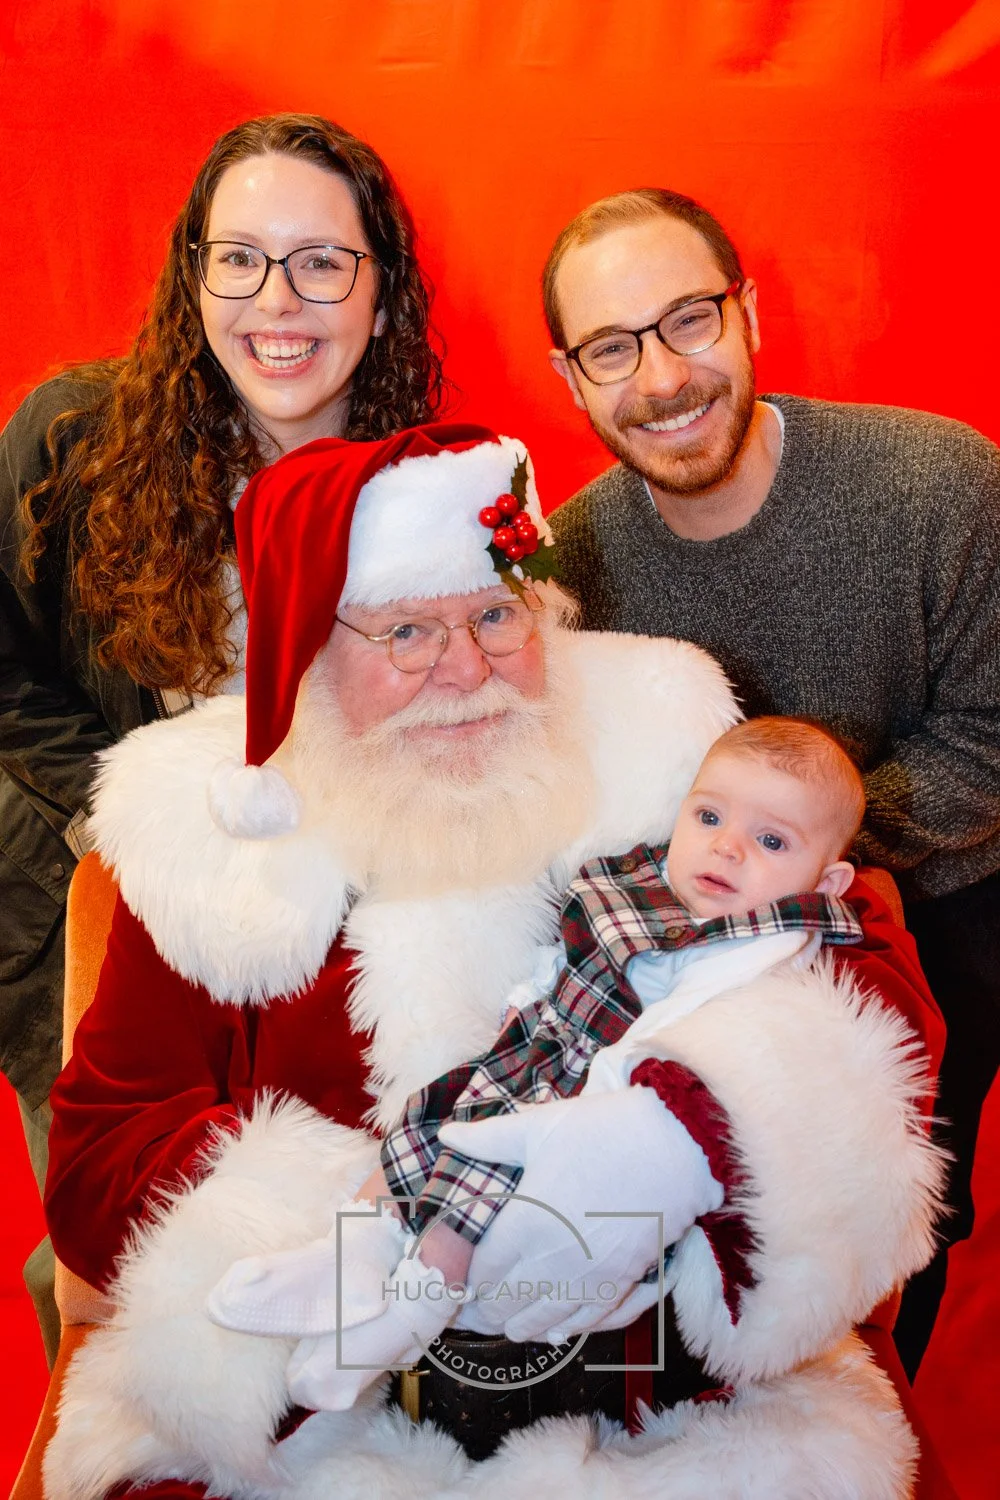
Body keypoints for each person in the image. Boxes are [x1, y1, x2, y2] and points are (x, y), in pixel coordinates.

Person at [40, 425, 943, 1500]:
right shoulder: (208, 840)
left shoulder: (663, 753)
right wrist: (380, 1226)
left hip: (660, 1409)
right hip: (326, 1420)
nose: (465, 670)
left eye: (494, 617)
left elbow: (866, 983)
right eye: (407, 632)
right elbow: (101, 1154)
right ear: (313, 658)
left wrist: (676, 1139)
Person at [0, 110, 441, 1359]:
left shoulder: (421, 480)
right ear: (193, 271)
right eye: (237, 257)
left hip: (326, 936)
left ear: (379, 287)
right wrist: (133, 809)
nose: (275, 301)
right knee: (97, 1268)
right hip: (99, 908)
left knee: (317, 1253)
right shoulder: (72, 440)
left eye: (320, 261)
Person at [543, 187, 1000, 1374]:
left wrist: (796, 873)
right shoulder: (572, 561)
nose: (660, 378)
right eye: (610, 347)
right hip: (677, 926)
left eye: (687, 319)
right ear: (571, 379)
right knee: (674, 1204)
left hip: (936, 915)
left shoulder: (940, 485)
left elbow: (990, 738)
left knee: (882, 1225)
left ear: (747, 315)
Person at [206, 714, 871, 1415]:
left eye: (771, 841)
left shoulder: (758, 945)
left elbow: (684, 1037)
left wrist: (602, 1112)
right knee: (424, 1122)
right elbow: (570, 954)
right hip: (537, 1046)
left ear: (827, 882)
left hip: (590, 1105)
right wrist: (528, 1001)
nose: (727, 848)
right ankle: (356, 1254)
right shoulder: (650, 882)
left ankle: (411, 1315)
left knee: (476, 1190)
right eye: (708, 815)